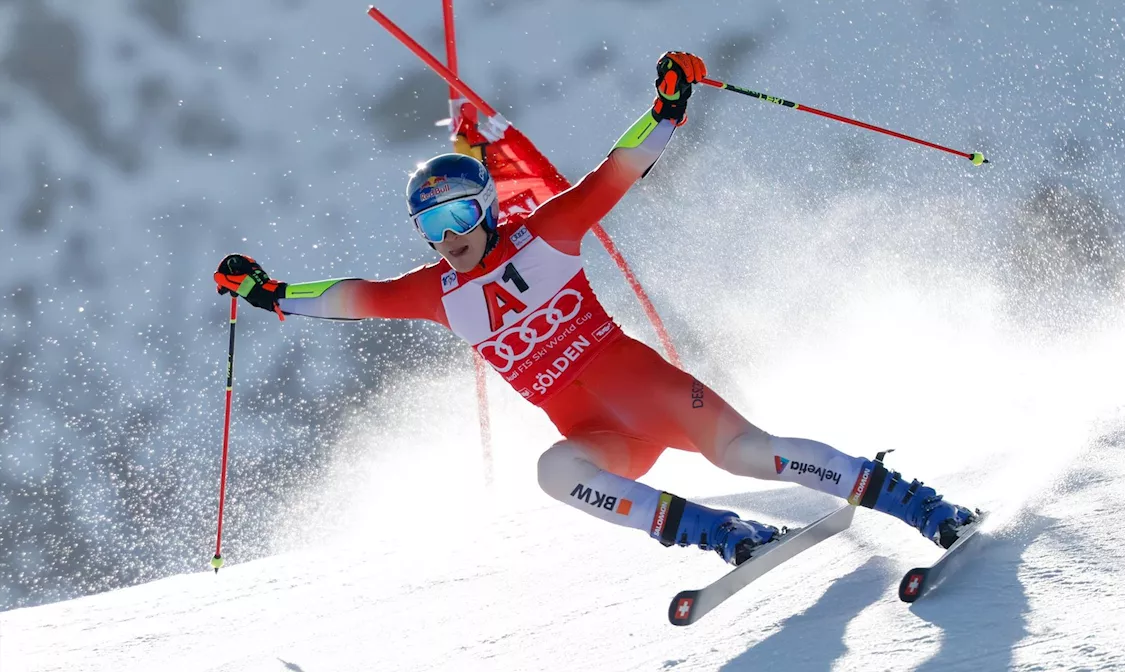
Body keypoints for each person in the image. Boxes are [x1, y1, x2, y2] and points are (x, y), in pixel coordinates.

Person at [214, 52, 976, 566]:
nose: (447, 241)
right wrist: (272, 294)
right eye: (430, 228)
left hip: (657, 395)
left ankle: (916, 503)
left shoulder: (546, 232)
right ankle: (720, 532)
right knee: (554, 471)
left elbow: (619, 168)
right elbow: (351, 298)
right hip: (603, 437)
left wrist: (668, 106)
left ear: (484, 209)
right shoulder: (436, 294)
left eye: (455, 220)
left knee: (748, 453)